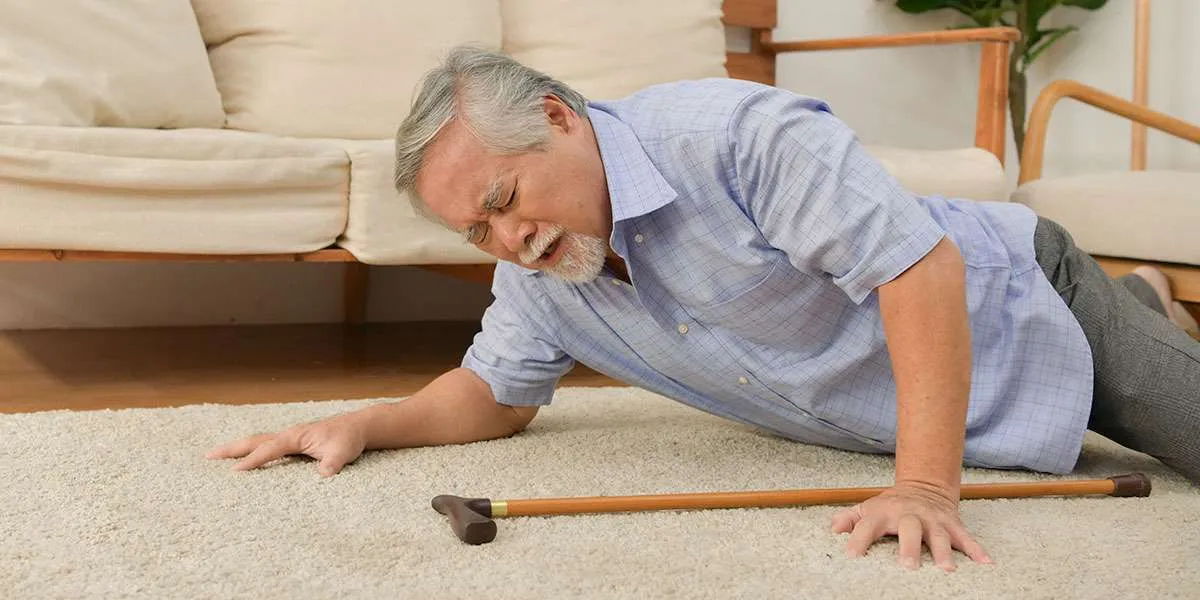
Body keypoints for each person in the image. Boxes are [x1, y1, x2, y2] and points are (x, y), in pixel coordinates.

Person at [207, 47, 1200, 571]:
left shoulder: (734, 135)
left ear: (559, 118)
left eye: (503, 202)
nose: (506, 242)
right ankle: (1149, 299)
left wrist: (926, 491)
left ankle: (1129, 310)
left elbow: (920, 273)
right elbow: (494, 394)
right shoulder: (541, 273)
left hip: (1024, 307)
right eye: (478, 233)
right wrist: (368, 422)